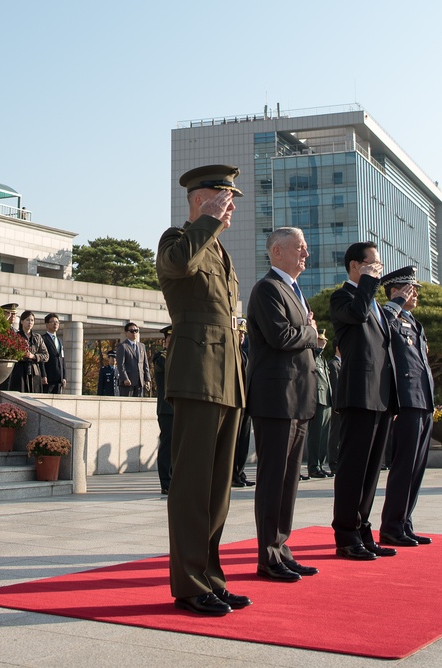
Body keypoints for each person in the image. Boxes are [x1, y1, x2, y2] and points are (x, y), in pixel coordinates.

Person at [156, 164, 249, 616]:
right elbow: (179, 266)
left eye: (231, 200)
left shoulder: (220, 252)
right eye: (223, 197)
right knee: (192, 485)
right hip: (196, 374)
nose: (230, 206)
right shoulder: (177, 240)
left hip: (227, 376)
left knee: (217, 488)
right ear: (199, 198)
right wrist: (207, 222)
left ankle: (211, 577)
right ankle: (189, 584)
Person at [247, 227, 323, 582]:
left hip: (299, 398)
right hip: (276, 399)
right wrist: (312, 333)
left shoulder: (294, 290)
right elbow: (282, 337)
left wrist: (309, 333)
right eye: (300, 248)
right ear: (277, 251)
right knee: (273, 479)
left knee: (290, 480)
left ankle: (283, 548)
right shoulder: (267, 289)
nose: (306, 254)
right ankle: (268, 556)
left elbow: (300, 337)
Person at [329, 241, 397, 561]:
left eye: (379, 266)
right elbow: (355, 315)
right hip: (358, 394)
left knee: (371, 471)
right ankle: (345, 535)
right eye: (373, 264)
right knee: (353, 469)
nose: (378, 270)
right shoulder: (343, 296)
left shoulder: (377, 305)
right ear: (355, 265)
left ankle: (363, 530)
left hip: (380, 397)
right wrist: (368, 282)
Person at [378, 266, 435, 547]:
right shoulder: (389, 315)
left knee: (417, 467)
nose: (415, 295)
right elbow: (379, 329)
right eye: (410, 290)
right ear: (395, 291)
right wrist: (396, 303)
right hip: (406, 401)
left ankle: (404, 522)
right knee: (404, 466)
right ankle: (391, 525)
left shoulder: (414, 322)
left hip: (423, 400)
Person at [232, 319, 255, 489]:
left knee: (244, 440)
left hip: (246, 402)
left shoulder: (245, 354)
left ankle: (240, 472)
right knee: (234, 441)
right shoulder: (231, 354)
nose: (242, 336)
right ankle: (232, 474)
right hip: (235, 402)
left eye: (243, 334)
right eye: (240, 332)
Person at [306, 342, 334, 480]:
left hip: (326, 399)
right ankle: (314, 466)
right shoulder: (313, 354)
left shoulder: (322, 358)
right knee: (316, 435)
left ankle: (320, 465)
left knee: (323, 436)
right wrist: (317, 348)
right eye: (320, 340)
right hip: (318, 398)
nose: (324, 343)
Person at [153, 325, 174, 495]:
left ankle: (174, 478)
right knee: (167, 446)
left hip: (180, 409)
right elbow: (171, 369)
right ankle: (166, 482)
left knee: (177, 446)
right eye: (170, 339)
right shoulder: (161, 357)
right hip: (166, 409)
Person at [8, 310, 49, 393]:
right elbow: (10, 352)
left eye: (32, 320)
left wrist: (33, 356)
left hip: (34, 370)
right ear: (22, 321)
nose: (30, 322)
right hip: (19, 369)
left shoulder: (38, 337)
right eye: (27, 320)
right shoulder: (16, 336)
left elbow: (46, 356)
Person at [116, 323, 150, 397]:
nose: (134, 333)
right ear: (126, 333)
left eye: (136, 330)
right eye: (131, 331)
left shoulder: (142, 346)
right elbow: (121, 364)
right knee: (127, 406)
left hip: (139, 382)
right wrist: (125, 378)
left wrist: (147, 379)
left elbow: (145, 364)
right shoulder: (122, 346)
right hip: (128, 383)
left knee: (138, 406)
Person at [40, 314, 67, 394]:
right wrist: (43, 375)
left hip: (59, 379)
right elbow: (42, 359)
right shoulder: (43, 339)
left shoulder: (59, 340)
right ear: (47, 325)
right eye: (52, 322)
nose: (55, 324)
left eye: (57, 322)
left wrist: (64, 376)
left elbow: (62, 359)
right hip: (48, 378)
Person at [326, 348, 342, 474]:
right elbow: (335, 386)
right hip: (338, 406)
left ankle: (339, 460)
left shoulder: (343, 364)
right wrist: (337, 405)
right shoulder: (333, 364)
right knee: (335, 434)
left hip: (344, 405)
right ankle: (333, 463)